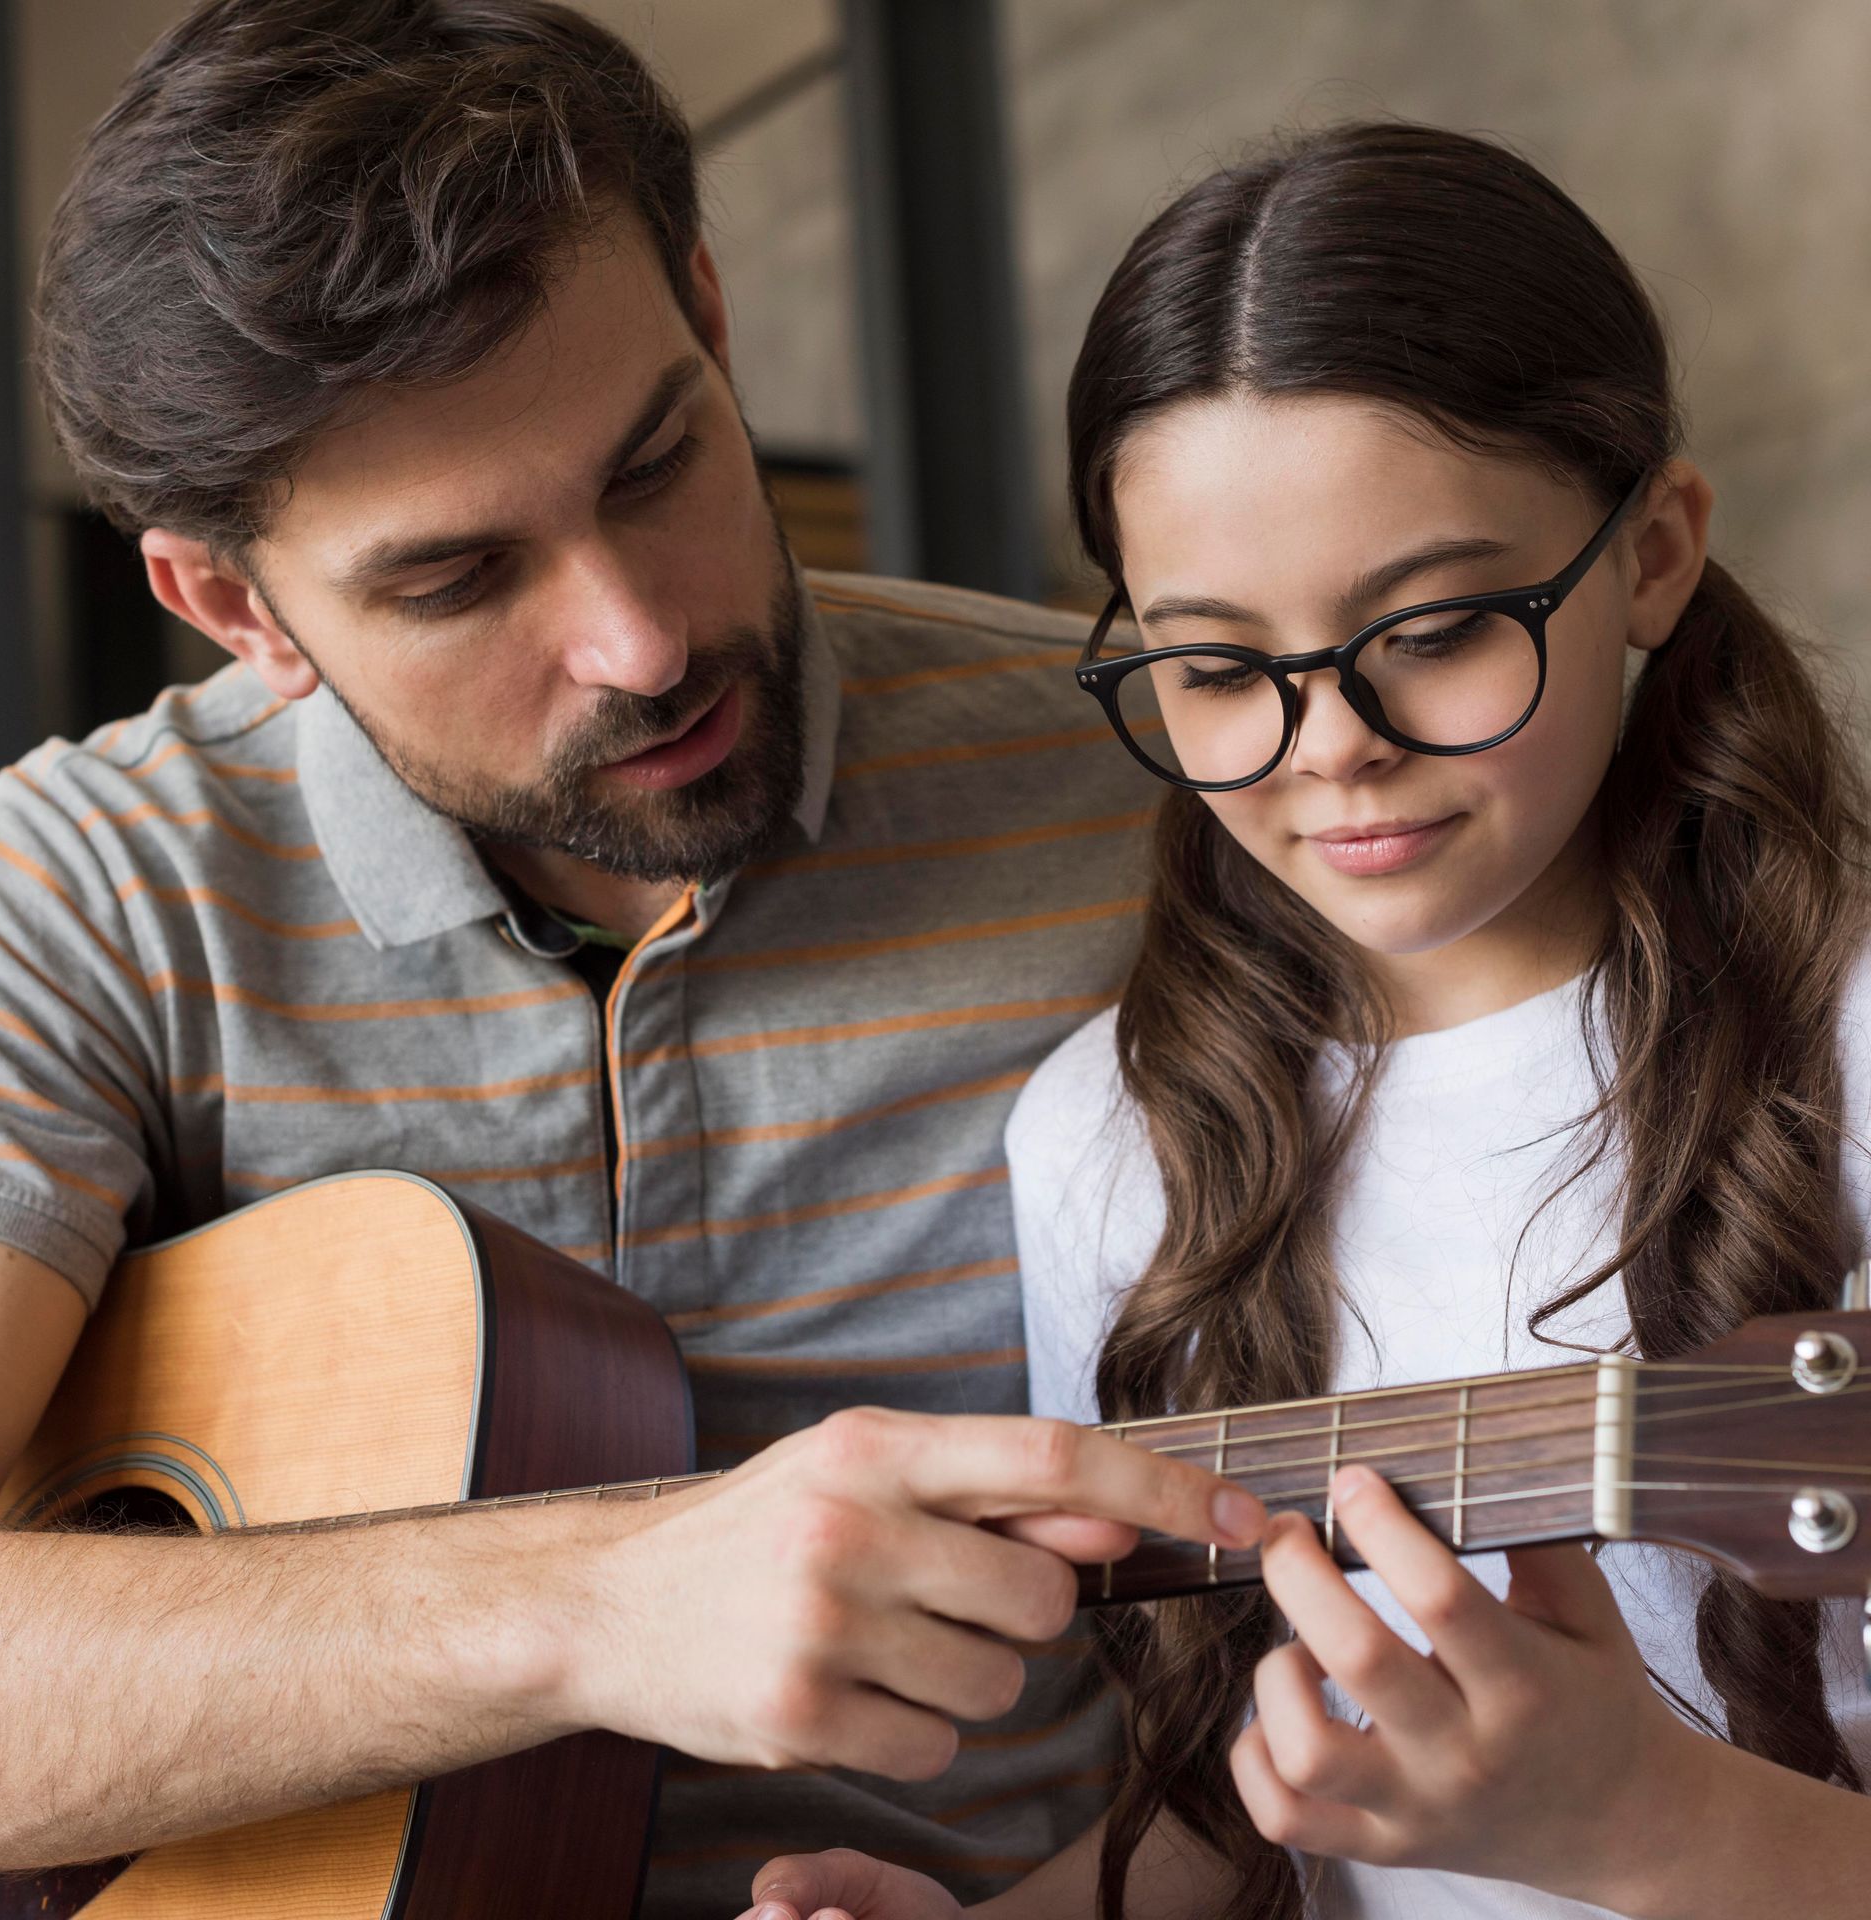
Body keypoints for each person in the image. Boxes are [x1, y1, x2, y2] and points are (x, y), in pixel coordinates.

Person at [0, 1, 1269, 1909]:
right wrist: (589, 1604)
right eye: (457, 577)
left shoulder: (1170, 788)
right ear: (234, 604)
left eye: (656, 463)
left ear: (717, 323)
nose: (642, 640)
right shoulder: (83, 893)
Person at [742, 122, 1871, 1920]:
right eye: (1213, 668)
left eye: (1431, 631)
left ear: (1654, 552)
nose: (1331, 740)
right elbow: (1245, 1798)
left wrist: (1655, 1825)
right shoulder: (1110, 1139)